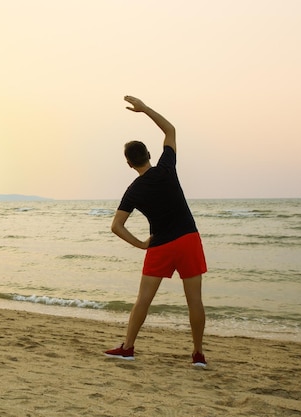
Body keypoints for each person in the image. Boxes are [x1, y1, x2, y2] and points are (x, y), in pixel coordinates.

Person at [104, 96, 208, 367]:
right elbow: (170, 130)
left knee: (143, 301)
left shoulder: (133, 190)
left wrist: (140, 244)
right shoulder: (166, 168)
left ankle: (128, 347)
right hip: (188, 239)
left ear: (129, 164)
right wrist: (145, 109)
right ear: (149, 155)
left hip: (159, 245)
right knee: (194, 301)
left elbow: (116, 226)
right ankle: (197, 354)